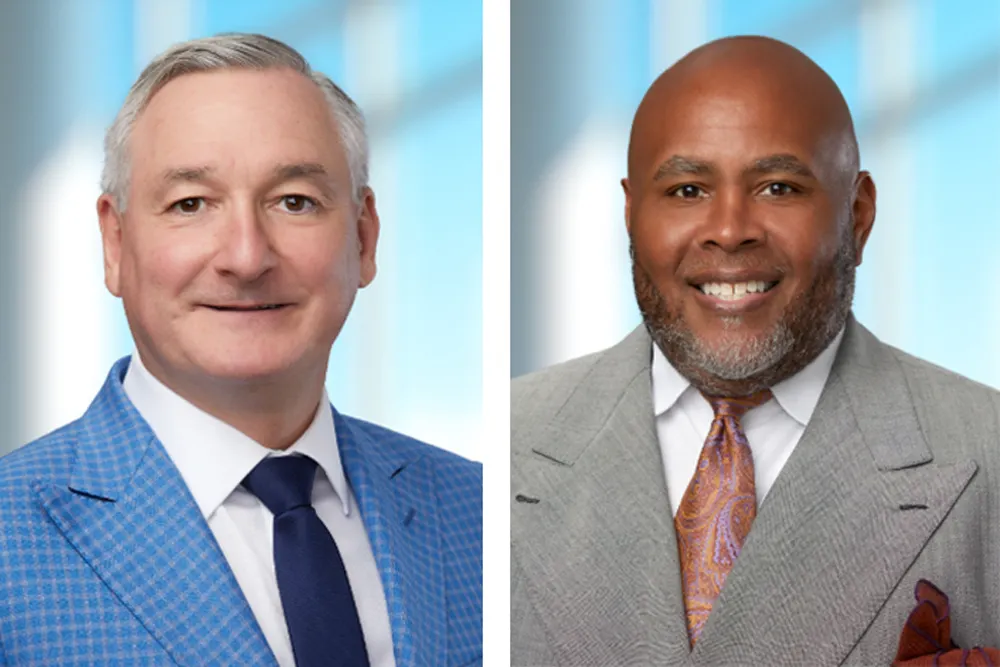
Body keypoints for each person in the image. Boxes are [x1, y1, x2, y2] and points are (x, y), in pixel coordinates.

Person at [511, 36, 1000, 666]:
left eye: (777, 187)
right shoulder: (507, 443)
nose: (729, 230)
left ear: (858, 215)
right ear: (630, 214)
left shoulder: (987, 452)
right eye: (687, 190)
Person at [0, 34, 481, 667]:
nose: (247, 257)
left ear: (363, 239)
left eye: (294, 202)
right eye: (191, 204)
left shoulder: (479, 508)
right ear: (115, 244)